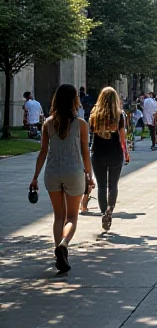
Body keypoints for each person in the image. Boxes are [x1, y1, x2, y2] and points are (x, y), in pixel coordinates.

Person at [29, 84, 93, 273]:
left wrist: (35, 177)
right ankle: (64, 245)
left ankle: (59, 253)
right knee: (72, 217)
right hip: (74, 172)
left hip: (53, 171)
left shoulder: (48, 123)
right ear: (75, 100)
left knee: (59, 216)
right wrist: (89, 175)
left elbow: (43, 152)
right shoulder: (81, 124)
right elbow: (85, 152)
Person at [89, 87, 129, 231]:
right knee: (113, 186)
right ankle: (109, 211)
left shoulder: (94, 115)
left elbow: (92, 135)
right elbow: (122, 138)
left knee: (101, 186)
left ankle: (102, 212)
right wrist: (126, 152)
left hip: (98, 153)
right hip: (115, 153)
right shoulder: (120, 116)